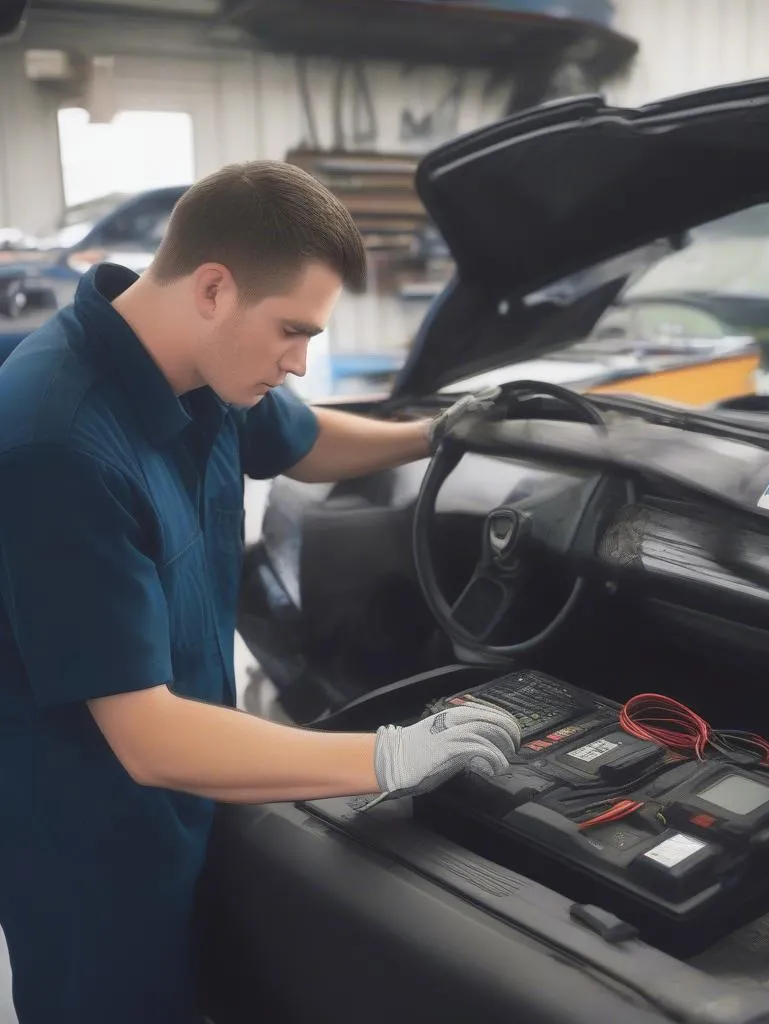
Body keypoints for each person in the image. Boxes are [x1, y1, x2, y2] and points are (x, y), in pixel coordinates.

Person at [0, 160, 519, 1024]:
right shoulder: (55, 446)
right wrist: (386, 757)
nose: (301, 361)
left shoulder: (202, 363)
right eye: (292, 331)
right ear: (212, 287)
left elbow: (308, 442)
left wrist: (437, 436)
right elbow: (147, 738)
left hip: (201, 780)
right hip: (90, 843)